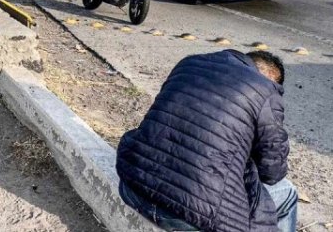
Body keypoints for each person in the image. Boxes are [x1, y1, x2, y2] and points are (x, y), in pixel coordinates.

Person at [116, 50, 297, 232]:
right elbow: (272, 173)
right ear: (272, 79)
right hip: (188, 216)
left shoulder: (189, 63)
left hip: (133, 189)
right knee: (288, 193)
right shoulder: (266, 91)